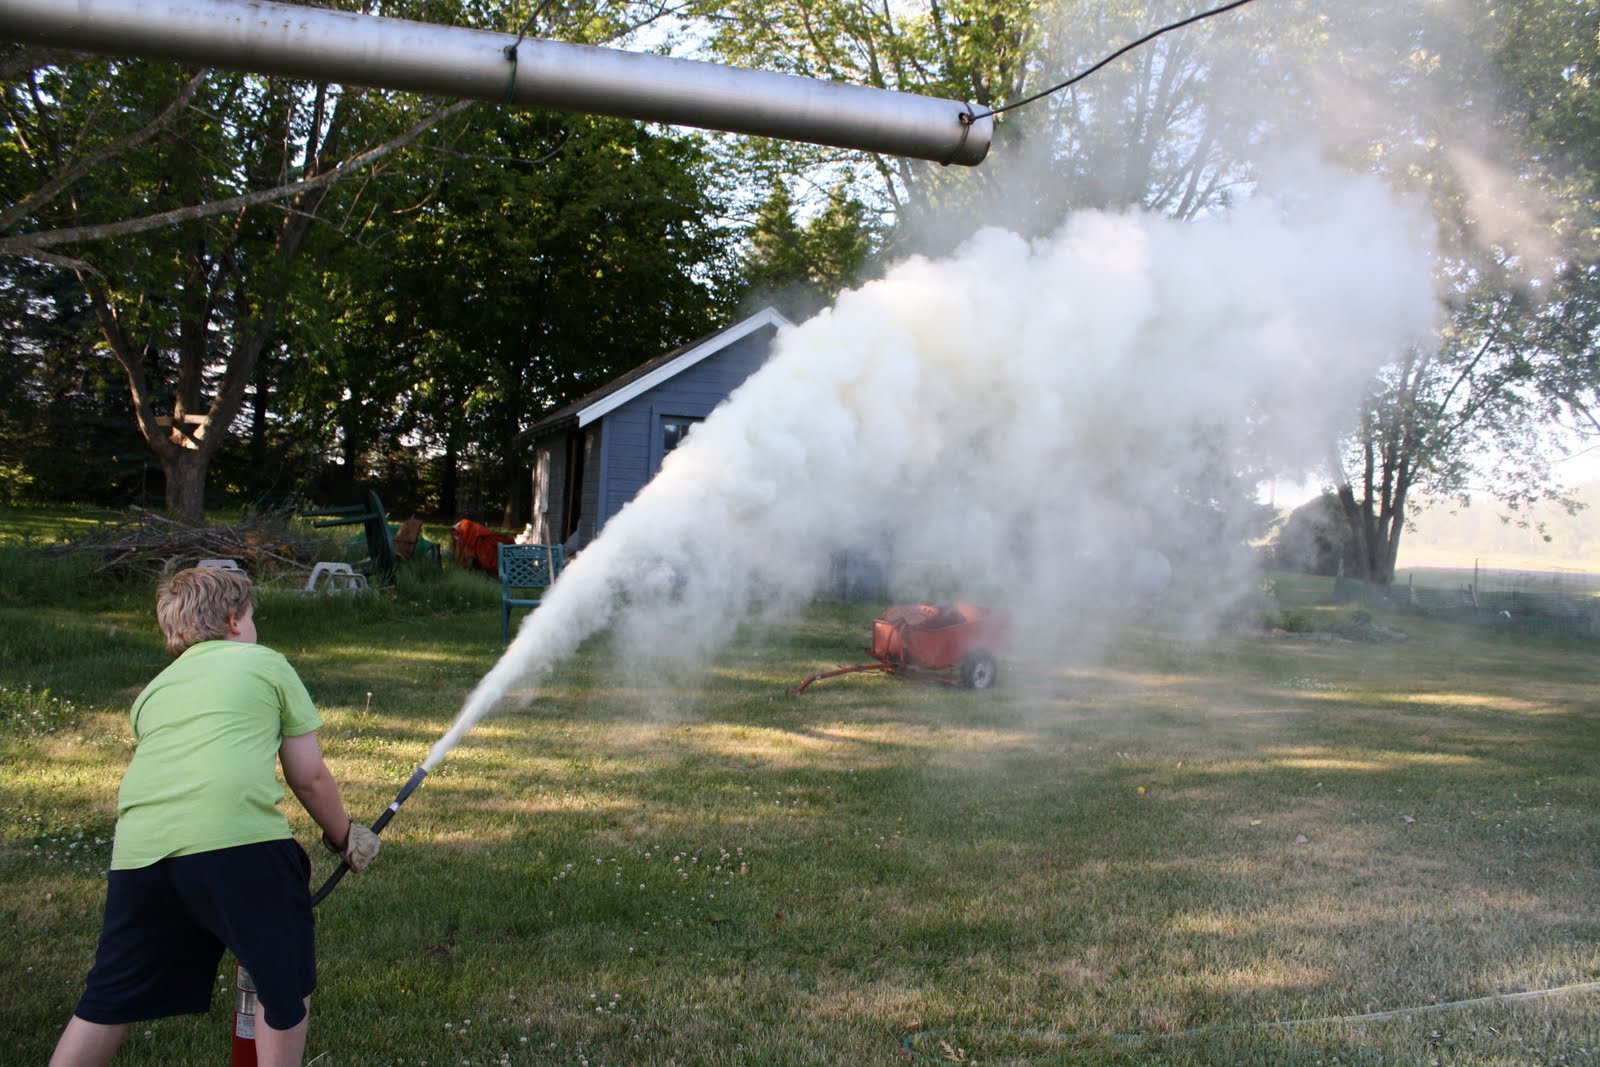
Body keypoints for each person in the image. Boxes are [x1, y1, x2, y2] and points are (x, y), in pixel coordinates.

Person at [50, 565, 381, 1067]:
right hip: (240, 849)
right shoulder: (265, 664)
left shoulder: (152, 692)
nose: (253, 629)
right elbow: (309, 775)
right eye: (251, 618)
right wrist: (343, 836)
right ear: (233, 620)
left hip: (140, 855)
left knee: (108, 997)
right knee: (282, 983)